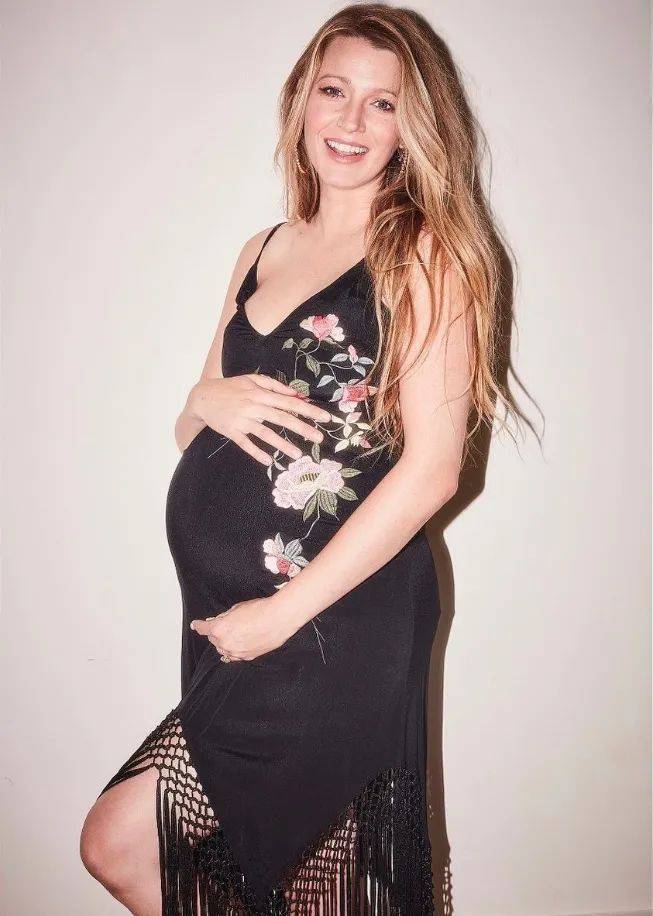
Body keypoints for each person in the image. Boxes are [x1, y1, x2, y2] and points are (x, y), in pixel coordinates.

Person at [79, 3, 513, 913]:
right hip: (231, 619)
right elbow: (198, 428)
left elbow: (433, 470)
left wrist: (281, 616)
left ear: (413, 125)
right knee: (289, 882)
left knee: (122, 840)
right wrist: (201, 400)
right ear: (300, 102)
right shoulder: (263, 247)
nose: (351, 121)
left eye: (382, 103)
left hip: (332, 618)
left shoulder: (422, 253)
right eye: (333, 91)